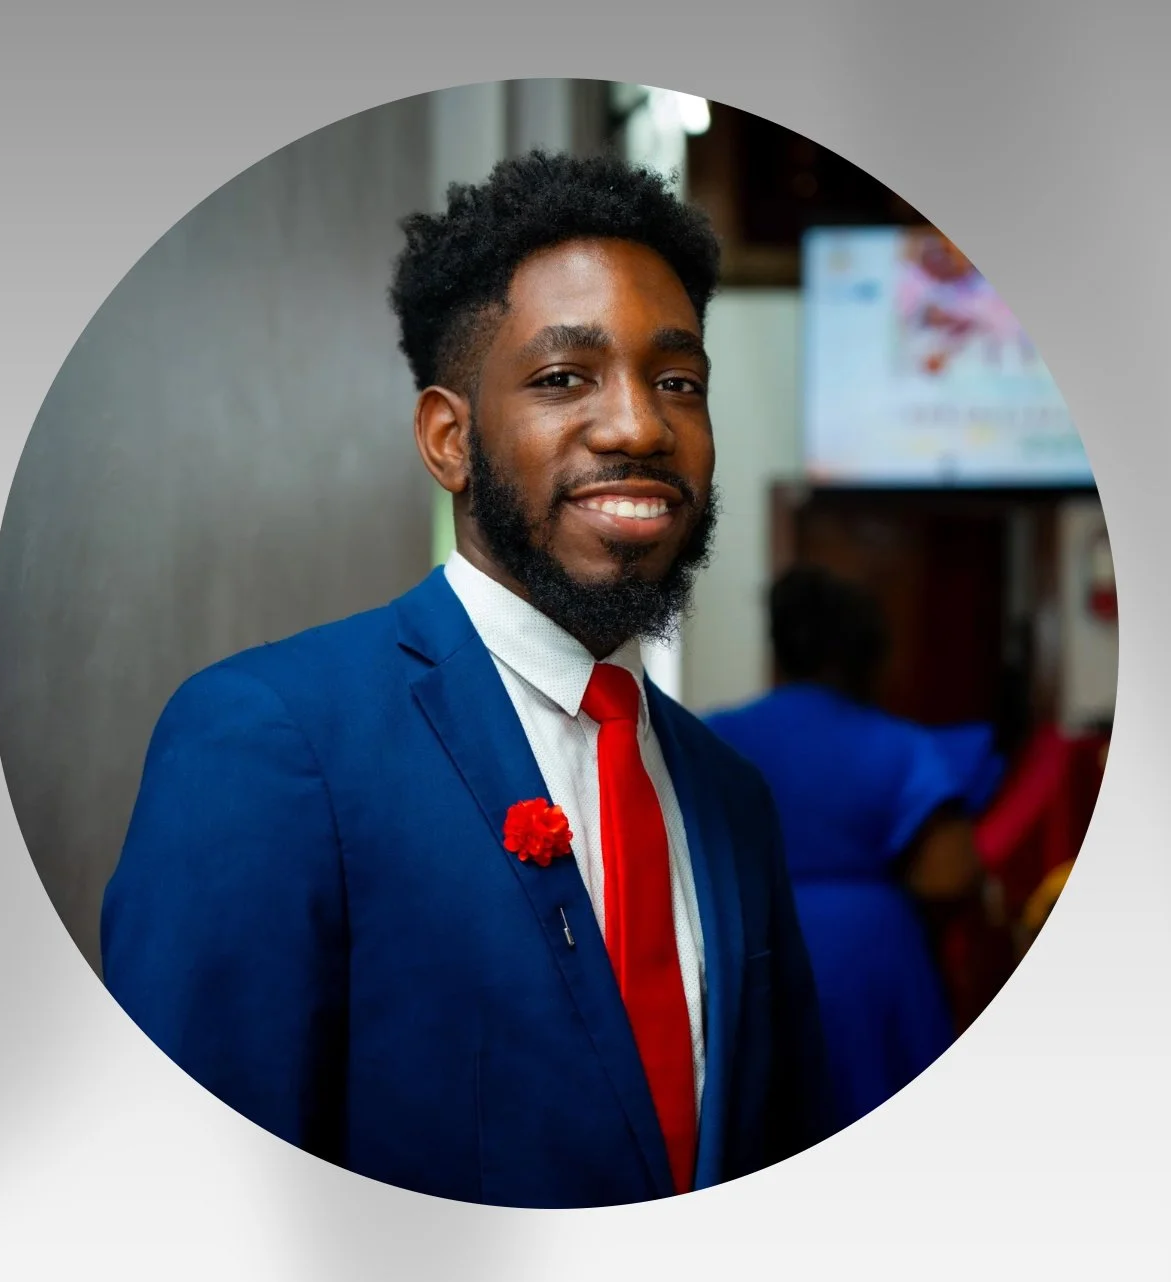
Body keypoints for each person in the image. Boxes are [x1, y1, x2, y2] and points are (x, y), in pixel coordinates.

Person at [100, 151, 831, 1209]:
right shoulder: (272, 740)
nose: (638, 425)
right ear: (449, 439)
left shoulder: (730, 796)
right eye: (563, 377)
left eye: (678, 381)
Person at [705, 566, 1001, 1132]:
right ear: (869, 654)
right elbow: (948, 874)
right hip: (875, 959)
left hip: (751, 941)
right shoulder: (902, 744)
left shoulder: (714, 734)